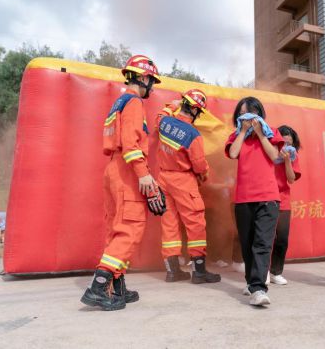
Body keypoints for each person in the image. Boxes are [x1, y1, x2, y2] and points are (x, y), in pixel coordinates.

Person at [81, 55, 164, 311]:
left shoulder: (119, 102)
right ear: (144, 77)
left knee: (116, 228)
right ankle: (98, 287)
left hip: (114, 170)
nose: (152, 87)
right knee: (130, 227)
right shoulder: (134, 102)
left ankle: (116, 287)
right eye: (152, 81)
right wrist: (145, 175)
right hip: (127, 171)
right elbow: (131, 145)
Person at [156, 89, 220, 284]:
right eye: (198, 112)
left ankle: (172, 271)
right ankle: (199, 271)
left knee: (169, 223)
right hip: (183, 181)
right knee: (195, 223)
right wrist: (205, 174)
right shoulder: (193, 134)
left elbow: (159, 115)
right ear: (194, 111)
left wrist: (171, 106)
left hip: (163, 178)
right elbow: (199, 165)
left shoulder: (164, 122)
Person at [225, 96, 284, 306]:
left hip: (268, 197)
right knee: (247, 243)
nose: (247, 117)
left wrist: (260, 133)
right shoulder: (236, 135)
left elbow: (274, 156)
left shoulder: (271, 132)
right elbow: (233, 153)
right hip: (243, 198)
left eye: (252, 113)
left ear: (260, 114)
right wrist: (242, 131)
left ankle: (259, 288)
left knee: (262, 243)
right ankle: (252, 283)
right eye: (242, 113)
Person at [269, 125, 302, 285]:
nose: (287, 147)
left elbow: (291, 179)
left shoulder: (292, 156)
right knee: (265, 236)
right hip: (266, 196)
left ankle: (276, 272)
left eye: (290, 144)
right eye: (284, 143)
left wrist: (287, 159)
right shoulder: (269, 151)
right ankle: (262, 271)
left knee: (281, 238)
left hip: (283, 198)